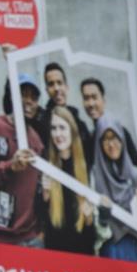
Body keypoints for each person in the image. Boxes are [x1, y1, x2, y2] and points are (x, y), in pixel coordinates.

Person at [0, 74, 45, 247]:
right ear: (12, 96)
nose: (29, 101)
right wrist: (10, 167)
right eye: (23, 94)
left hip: (33, 237)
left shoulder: (36, 141)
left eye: (34, 97)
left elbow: (37, 188)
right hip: (2, 237)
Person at [92, 115, 137, 263]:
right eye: (105, 139)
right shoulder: (95, 179)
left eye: (115, 137)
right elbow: (96, 235)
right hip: (110, 254)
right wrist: (103, 220)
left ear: (122, 139)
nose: (111, 144)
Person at [39, 106, 96, 255]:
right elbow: (42, 221)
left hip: (83, 251)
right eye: (54, 128)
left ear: (72, 130)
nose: (58, 134)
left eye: (62, 127)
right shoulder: (46, 166)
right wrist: (45, 196)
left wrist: (89, 217)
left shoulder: (86, 165)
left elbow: (92, 232)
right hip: (56, 252)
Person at [80, 77, 137, 179]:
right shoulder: (90, 138)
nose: (91, 104)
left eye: (94, 97)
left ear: (103, 100)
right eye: (86, 98)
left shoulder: (120, 132)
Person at [41, 63, 91, 166]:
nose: (56, 88)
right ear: (47, 90)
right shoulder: (41, 122)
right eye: (51, 84)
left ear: (66, 87)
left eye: (59, 83)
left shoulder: (79, 123)